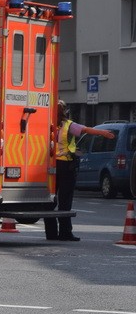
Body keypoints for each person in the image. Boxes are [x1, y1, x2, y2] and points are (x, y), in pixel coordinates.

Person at [44, 100, 115, 242]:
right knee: (65, 201)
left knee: (49, 201)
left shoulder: (47, 124)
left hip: (50, 167)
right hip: (66, 166)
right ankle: (65, 233)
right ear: (65, 111)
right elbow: (86, 130)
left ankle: (51, 233)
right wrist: (103, 133)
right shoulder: (69, 125)